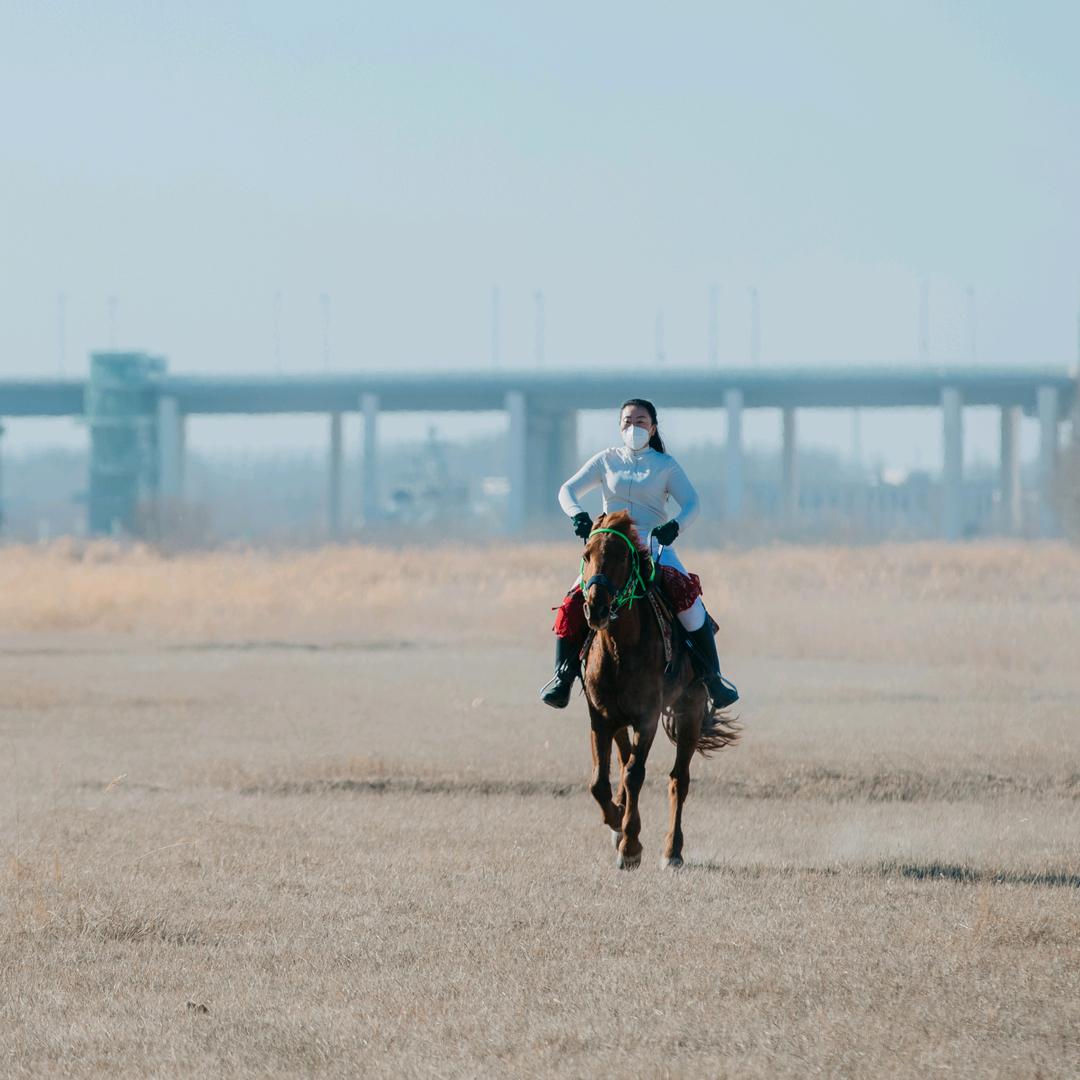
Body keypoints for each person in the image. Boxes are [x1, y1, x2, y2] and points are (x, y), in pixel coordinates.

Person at [541, 398, 739, 710]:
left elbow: (693, 503)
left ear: (653, 427)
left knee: (690, 603)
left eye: (641, 422)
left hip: (654, 547)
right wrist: (578, 515)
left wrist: (674, 527)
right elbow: (566, 490)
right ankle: (562, 677)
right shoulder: (606, 460)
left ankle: (713, 679)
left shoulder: (665, 466)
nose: (634, 428)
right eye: (628, 422)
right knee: (572, 600)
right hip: (610, 549)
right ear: (620, 427)